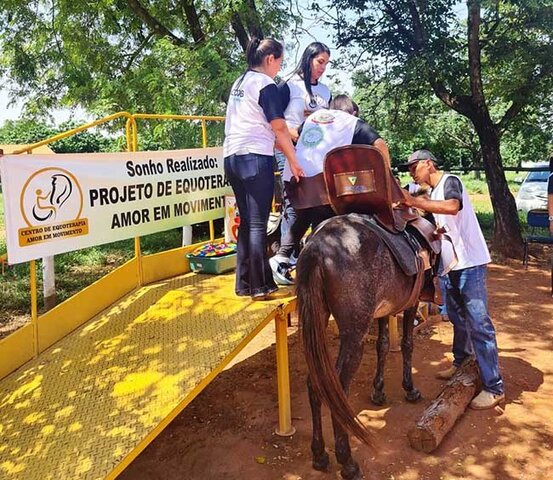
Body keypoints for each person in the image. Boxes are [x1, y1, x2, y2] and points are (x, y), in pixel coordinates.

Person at [400, 149, 504, 409]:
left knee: (479, 323)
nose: (412, 173)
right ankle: (461, 361)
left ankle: (494, 387)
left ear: (428, 163)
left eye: (414, 167)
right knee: (457, 318)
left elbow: (453, 207)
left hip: (470, 263)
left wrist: (414, 202)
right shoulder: (432, 192)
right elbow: (444, 221)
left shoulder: (450, 182)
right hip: (451, 266)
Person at [270, 94, 391, 284]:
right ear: (353, 111)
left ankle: (281, 258)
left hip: (295, 176)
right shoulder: (352, 121)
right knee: (334, 216)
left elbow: (294, 133)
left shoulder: (314, 117)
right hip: (322, 181)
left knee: (304, 217)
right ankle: (331, 269)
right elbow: (379, 144)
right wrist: (387, 176)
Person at [223, 37, 304, 300]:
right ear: (270, 59)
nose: (279, 69)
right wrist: (294, 160)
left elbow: (263, 130)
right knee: (258, 224)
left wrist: (285, 148)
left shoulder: (239, 82)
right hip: (255, 160)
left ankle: (244, 283)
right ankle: (260, 287)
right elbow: (278, 128)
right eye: (279, 62)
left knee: (247, 222)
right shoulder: (265, 84)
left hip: (232, 158)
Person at [274, 42, 332, 259]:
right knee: (293, 202)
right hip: (290, 149)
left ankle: (316, 257)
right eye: (320, 62)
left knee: (318, 201)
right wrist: (293, 136)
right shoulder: (289, 86)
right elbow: (275, 120)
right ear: (309, 59)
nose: (323, 67)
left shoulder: (325, 91)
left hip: (317, 154)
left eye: (326, 63)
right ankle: (285, 258)